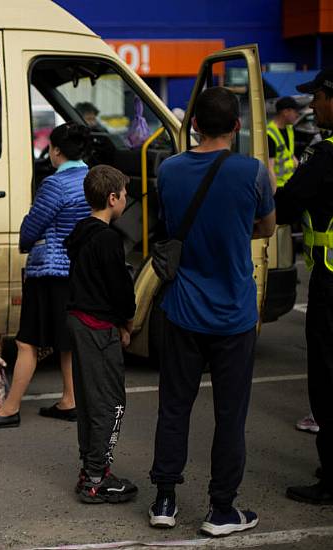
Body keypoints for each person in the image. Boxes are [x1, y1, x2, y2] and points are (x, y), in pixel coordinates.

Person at [148, 87, 275, 535]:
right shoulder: (254, 172)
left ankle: (164, 499)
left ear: (194, 124)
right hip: (235, 314)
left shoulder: (170, 170)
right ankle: (222, 509)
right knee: (230, 415)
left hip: (183, 309)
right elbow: (266, 226)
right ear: (237, 126)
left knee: (174, 408)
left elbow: (166, 224)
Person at [0, 123, 91, 429]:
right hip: (78, 270)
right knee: (65, 340)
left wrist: (25, 242)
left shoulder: (55, 184)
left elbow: (31, 229)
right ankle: (70, 400)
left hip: (50, 270)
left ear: (56, 151)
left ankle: (9, 409)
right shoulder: (92, 179)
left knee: (28, 342)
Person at [274, 67, 333, 505]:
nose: (314, 106)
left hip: (331, 283)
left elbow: (288, 201)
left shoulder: (326, 154)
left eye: (319, 98)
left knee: (327, 379)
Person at [64, 165, 137, 503]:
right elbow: (121, 291)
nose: (127, 199)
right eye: (124, 195)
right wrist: (127, 323)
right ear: (112, 198)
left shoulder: (81, 232)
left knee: (90, 401)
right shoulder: (109, 239)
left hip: (78, 321)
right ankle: (97, 478)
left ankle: (90, 469)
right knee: (111, 402)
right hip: (99, 327)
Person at [267, 96, 301, 188]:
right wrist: (274, 193)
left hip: (291, 182)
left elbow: (290, 154)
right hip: (279, 186)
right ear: (285, 112)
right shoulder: (269, 134)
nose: (297, 115)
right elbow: (270, 168)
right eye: (295, 112)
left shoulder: (289, 128)